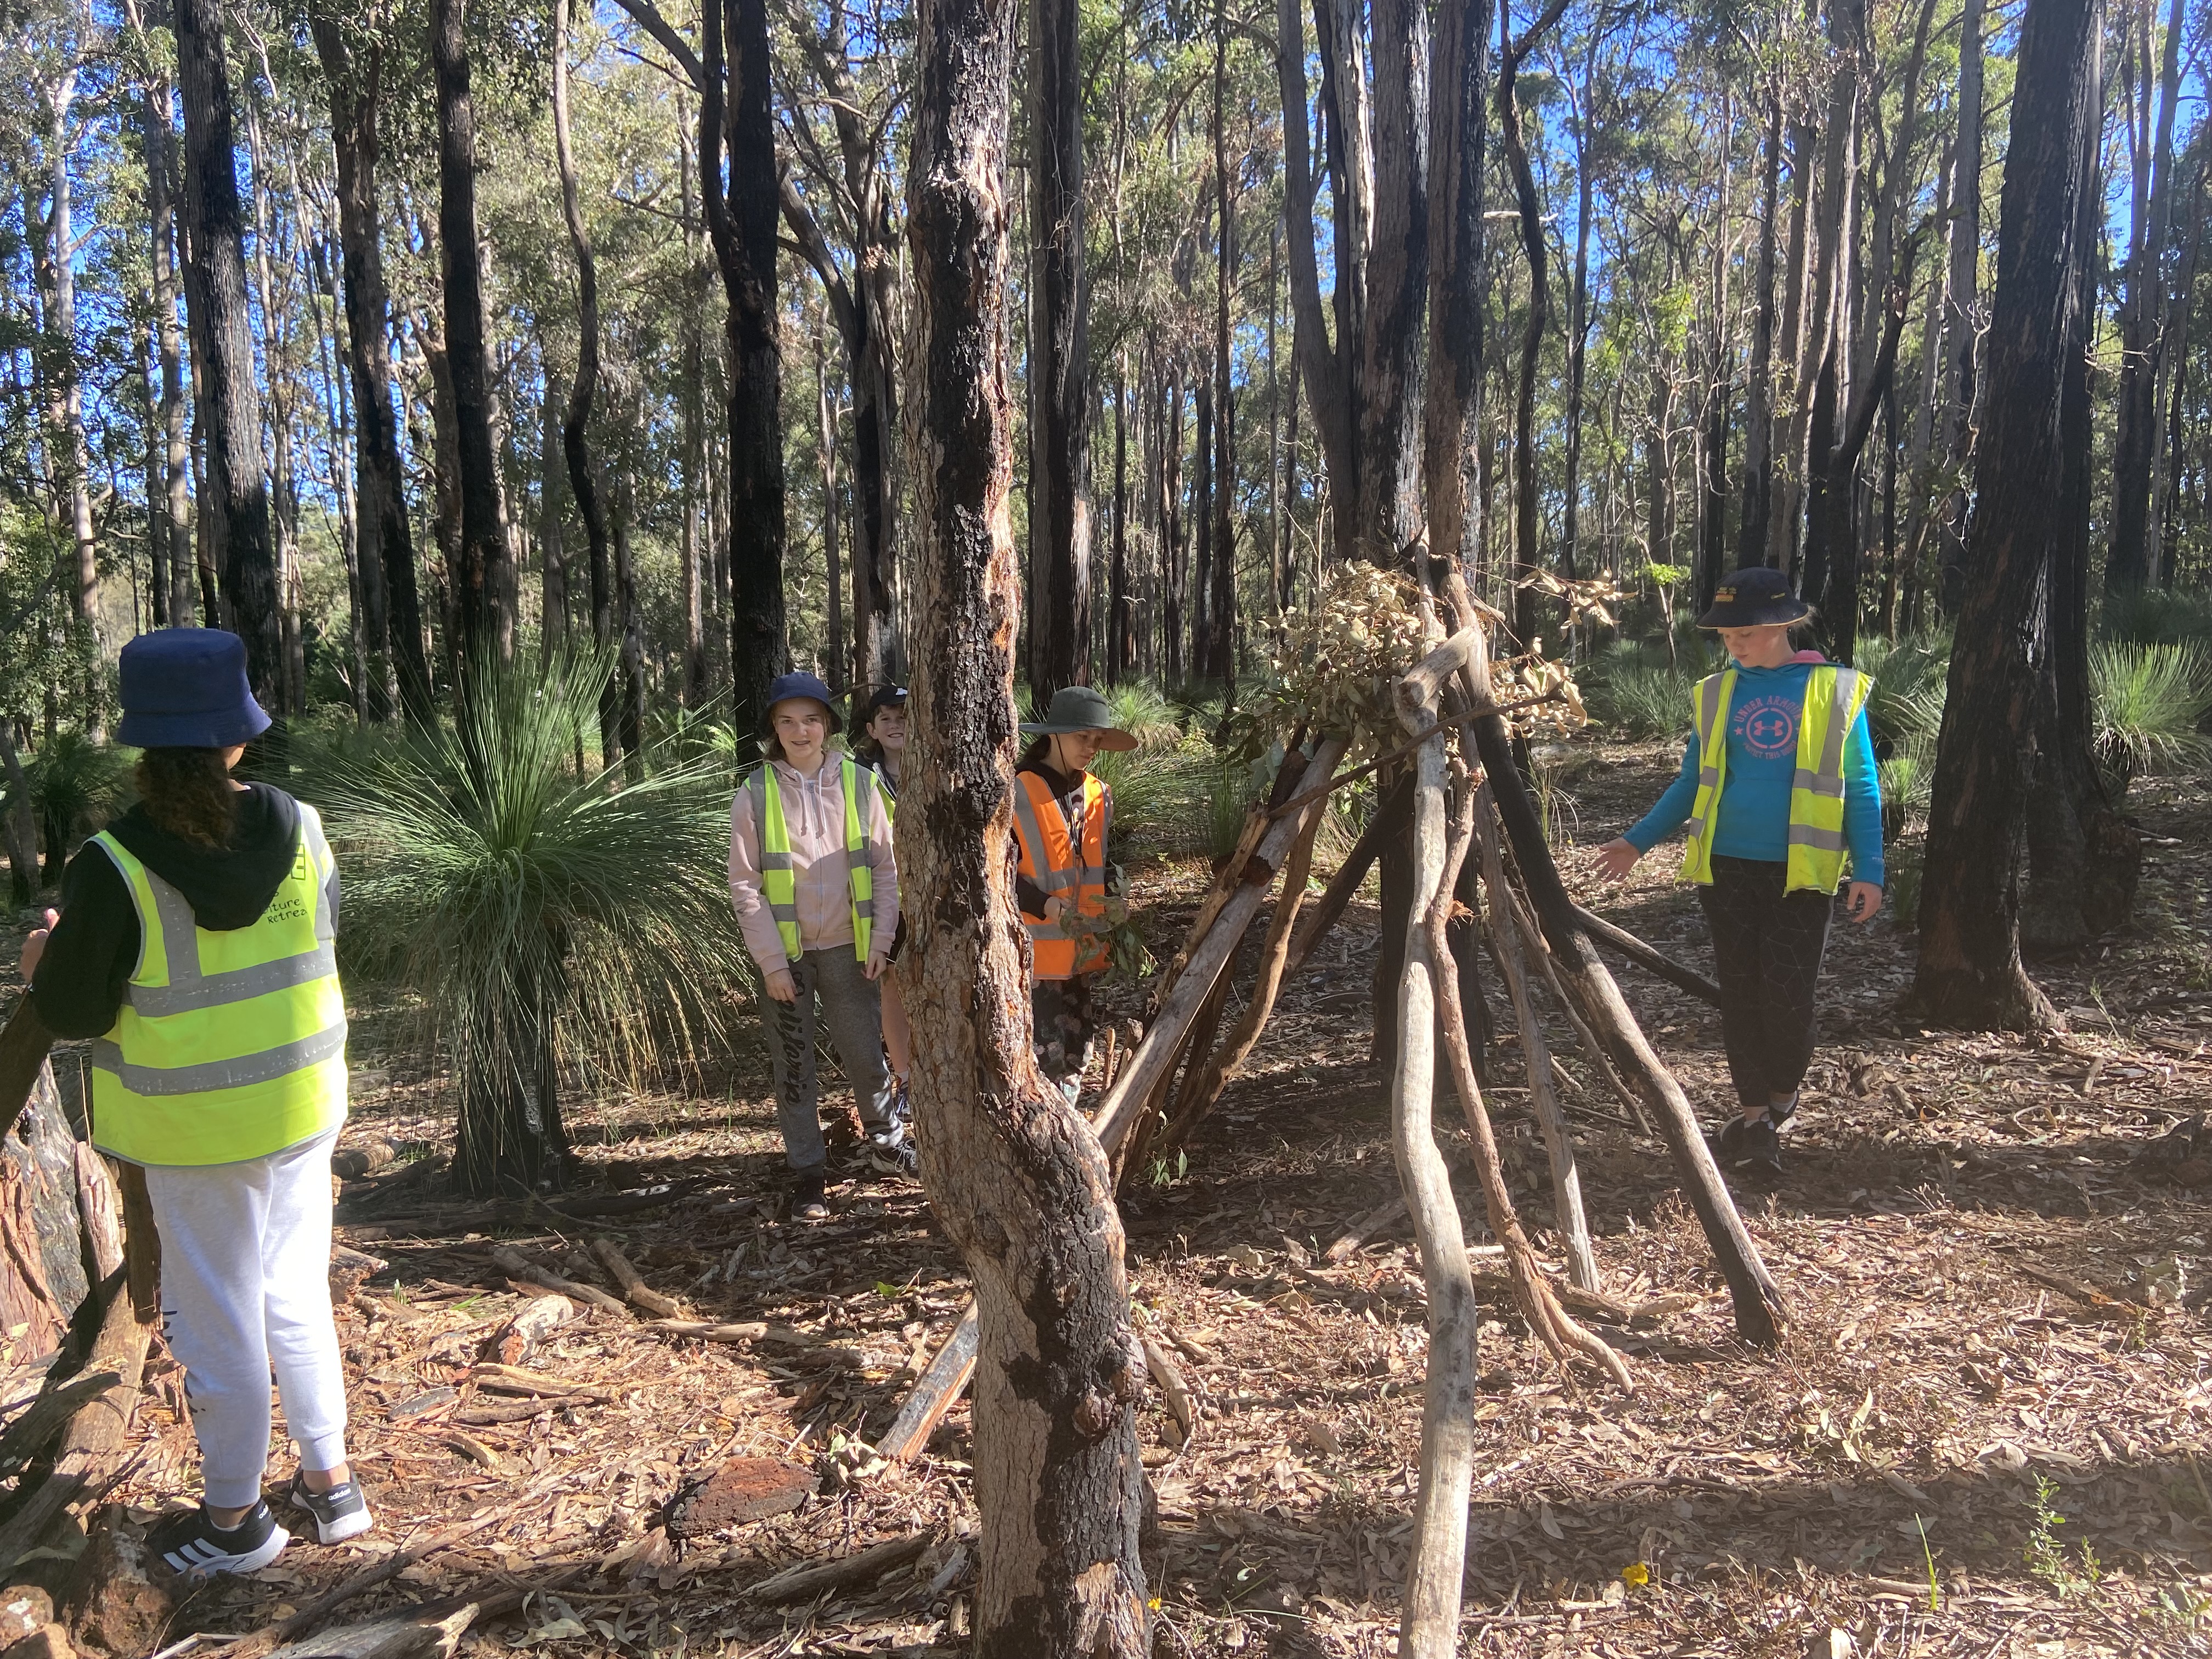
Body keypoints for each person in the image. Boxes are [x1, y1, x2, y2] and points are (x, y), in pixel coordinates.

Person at [19, 629, 370, 1582]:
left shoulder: (113, 861)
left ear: (143, 745)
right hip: (302, 1102)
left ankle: (235, 1521)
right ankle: (333, 1485)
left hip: (196, 1129)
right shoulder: (300, 821)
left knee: (215, 1316)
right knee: (293, 1289)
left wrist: (40, 962)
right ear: (239, 739)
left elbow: (80, 1009)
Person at [1592, 567, 1883, 1177]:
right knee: (1741, 996)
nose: (1733, 641)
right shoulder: (1716, 694)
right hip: (1726, 868)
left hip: (1802, 873)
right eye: (1725, 633)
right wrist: (1636, 842)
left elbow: (1861, 785)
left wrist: (1871, 869)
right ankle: (1754, 1123)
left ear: (1781, 625)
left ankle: (1782, 1099)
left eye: (1745, 631)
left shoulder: (1833, 690)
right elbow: (1692, 782)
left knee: (1788, 998)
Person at [729, 672, 908, 1219]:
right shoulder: (755, 792)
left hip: (852, 952)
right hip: (789, 960)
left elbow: (886, 867)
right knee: (795, 1066)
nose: (800, 731)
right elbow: (745, 884)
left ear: (827, 725)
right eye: (787, 721)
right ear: (773, 730)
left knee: (864, 1053)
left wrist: (881, 940)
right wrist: (772, 963)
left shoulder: (859, 783)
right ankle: (808, 1173)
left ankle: (888, 1145)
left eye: (810, 719)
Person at [1012, 687, 1137, 1102]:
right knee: (1040, 1058)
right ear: (1054, 735)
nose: (1092, 748)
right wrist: (1046, 905)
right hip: (1031, 954)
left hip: (1082, 950)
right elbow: (994, 874)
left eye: (1097, 739)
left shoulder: (1099, 793)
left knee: (1079, 1051)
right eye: (1083, 737)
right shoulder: (1016, 791)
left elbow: (1100, 863)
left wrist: (1116, 898)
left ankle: (1067, 1130)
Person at [850, 686, 912, 1116]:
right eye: (886, 719)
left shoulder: (939, 765)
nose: (896, 726)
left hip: (936, 895)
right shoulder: (859, 777)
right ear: (872, 729)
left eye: (904, 717)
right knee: (892, 985)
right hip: (886, 898)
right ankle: (907, 1077)